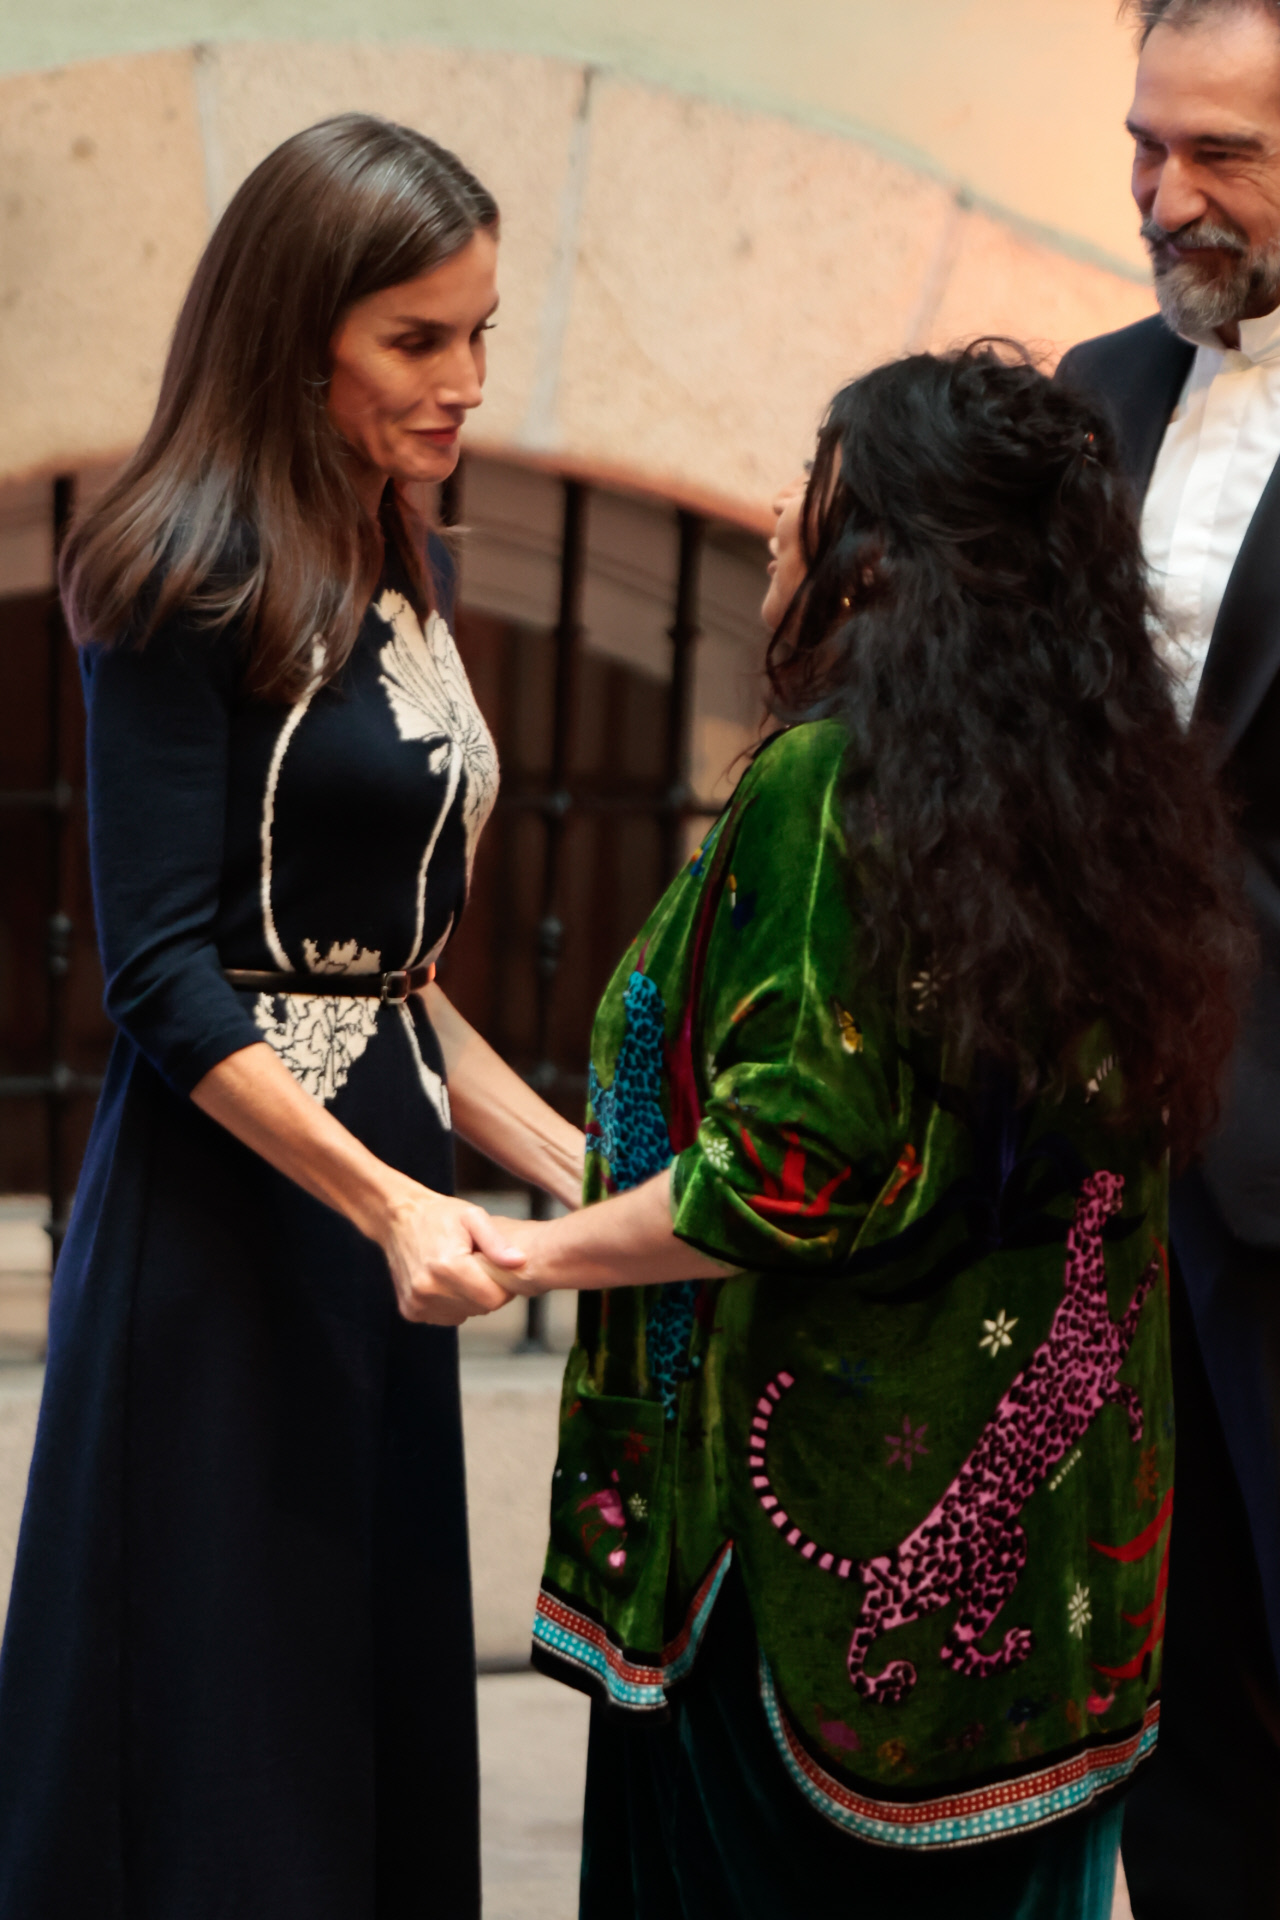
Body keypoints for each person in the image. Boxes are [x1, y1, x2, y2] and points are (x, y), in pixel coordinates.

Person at [481, 345, 1250, 1918]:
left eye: (814, 491)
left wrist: (527, 1256)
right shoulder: (1101, 799)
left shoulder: (834, 783)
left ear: (877, 557)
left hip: (815, 1598)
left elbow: (792, 1166)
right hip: (1047, 1609)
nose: (777, 514)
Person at [0, 115, 583, 1918]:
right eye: (421, 340)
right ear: (295, 332)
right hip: (234, 1235)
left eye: (482, 333)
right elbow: (167, 974)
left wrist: (588, 1163)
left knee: (365, 1707)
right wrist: (390, 1199)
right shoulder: (170, 563)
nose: (466, 382)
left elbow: (391, 983)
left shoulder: (410, 545)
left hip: (380, 1195)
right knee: (229, 1731)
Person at [1056, 4, 1280, 1910]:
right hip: (1109, 1180)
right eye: (1150, 142)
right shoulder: (1098, 388)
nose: (1166, 193)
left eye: (1225, 154)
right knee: (1169, 1699)